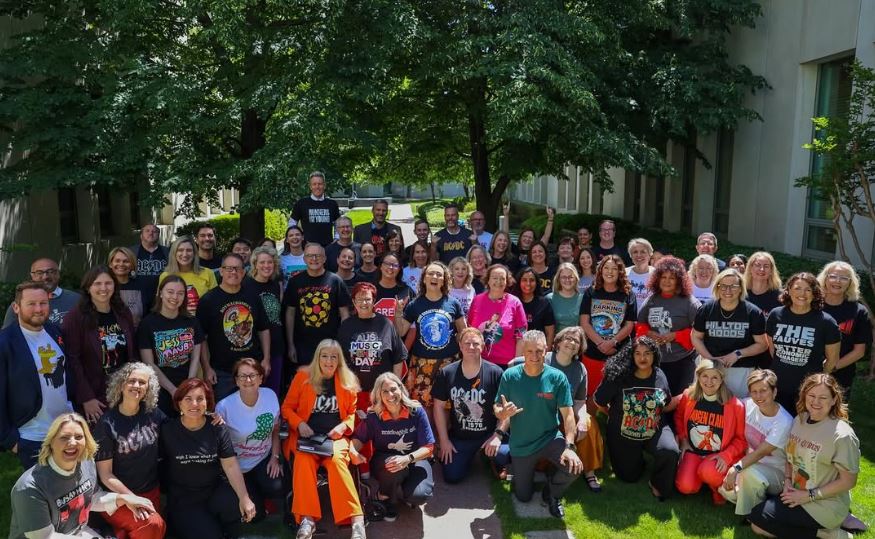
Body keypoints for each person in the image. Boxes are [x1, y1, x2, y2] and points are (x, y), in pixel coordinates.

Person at [9, 413, 156, 539]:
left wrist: (122, 498)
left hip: (77, 533)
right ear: (51, 442)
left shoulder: (86, 462)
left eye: (79, 437)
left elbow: (91, 498)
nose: (72, 443)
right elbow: (46, 537)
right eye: (64, 437)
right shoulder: (29, 489)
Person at [748, 374, 860, 539]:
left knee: (759, 520)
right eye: (812, 396)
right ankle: (824, 533)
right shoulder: (799, 420)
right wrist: (787, 481)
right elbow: (789, 457)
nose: (816, 402)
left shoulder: (842, 435)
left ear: (834, 399)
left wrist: (808, 496)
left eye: (823, 397)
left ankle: (833, 533)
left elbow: (848, 481)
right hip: (795, 493)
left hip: (824, 504)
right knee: (757, 523)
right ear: (804, 396)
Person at [282, 340, 366, 538]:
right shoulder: (303, 377)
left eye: (333, 357)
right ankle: (307, 519)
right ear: (318, 358)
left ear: (339, 360)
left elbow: (353, 413)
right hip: (307, 437)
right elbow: (286, 408)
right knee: (303, 460)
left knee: (337, 461)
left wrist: (343, 426)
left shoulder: (348, 381)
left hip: (334, 438)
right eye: (324, 356)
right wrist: (299, 424)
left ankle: (357, 521)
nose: (329, 361)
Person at [493, 330, 582, 518]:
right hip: (521, 445)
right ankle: (525, 473)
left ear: (546, 350)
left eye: (539, 351)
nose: (534, 356)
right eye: (530, 351)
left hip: (550, 438)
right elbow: (497, 407)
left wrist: (570, 446)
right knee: (523, 496)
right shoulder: (510, 376)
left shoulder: (557, 377)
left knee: (574, 467)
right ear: (523, 352)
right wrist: (502, 412)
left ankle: (552, 493)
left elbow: (568, 416)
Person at [509, 327, 604, 492]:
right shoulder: (542, 357)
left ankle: (589, 471)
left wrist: (581, 419)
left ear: (580, 348)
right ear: (558, 341)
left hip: (565, 416)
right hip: (540, 417)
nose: (572, 343)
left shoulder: (580, 369)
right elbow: (513, 364)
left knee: (589, 424)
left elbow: (580, 401)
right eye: (568, 338)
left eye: (577, 341)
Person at [160, 378, 257, 538]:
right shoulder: (167, 430)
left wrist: (244, 498)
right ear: (179, 403)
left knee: (243, 505)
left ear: (207, 402)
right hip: (184, 498)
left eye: (200, 399)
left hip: (214, 490)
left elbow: (231, 465)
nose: (194, 404)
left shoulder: (217, 427)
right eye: (188, 399)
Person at [594, 337, 679, 500]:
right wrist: (613, 415)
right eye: (638, 353)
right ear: (631, 356)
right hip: (623, 433)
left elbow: (666, 403)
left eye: (647, 353)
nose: (642, 358)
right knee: (628, 477)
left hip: (654, 427)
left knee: (670, 451)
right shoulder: (618, 376)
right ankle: (638, 460)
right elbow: (599, 401)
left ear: (654, 355)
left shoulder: (659, 375)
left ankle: (657, 483)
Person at [0, 281, 73, 469]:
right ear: (16, 307)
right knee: (41, 495)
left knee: (72, 492)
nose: (38, 309)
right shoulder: (5, 343)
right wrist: (9, 440)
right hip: (32, 436)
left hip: (66, 427)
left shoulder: (54, 331)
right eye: (31, 304)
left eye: (43, 303)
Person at [93, 363, 167, 539]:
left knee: (155, 529)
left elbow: (179, 431)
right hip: (118, 497)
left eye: (142, 382)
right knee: (153, 524)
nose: (137, 386)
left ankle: (115, 533)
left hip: (151, 491)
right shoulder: (106, 424)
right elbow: (105, 475)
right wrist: (131, 499)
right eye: (131, 381)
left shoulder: (153, 414)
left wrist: (209, 418)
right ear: (121, 384)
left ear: (148, 388)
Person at [350, 372, 435, 522]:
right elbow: (358, 438)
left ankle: (405, 490)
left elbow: (429, 447)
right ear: (379, 395)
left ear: (401, 389)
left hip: (414, 458)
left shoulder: (416, 411)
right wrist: (352, 451)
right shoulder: (374, 416)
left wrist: (408, 458)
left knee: (420, 496)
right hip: (385, 461)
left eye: (394, 389)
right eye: (385, 391)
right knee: (395, 464)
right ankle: (385, 497)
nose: (390, 395)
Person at [64, 266, 137, 423]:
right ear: (88, 287)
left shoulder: (123, 312)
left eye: (108, 283)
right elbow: (72, 360)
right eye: (97, 284)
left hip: (124, 391)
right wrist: (86, 397)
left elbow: (132, 351)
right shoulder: (75, 318)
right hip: (95, 397)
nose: (103, 288)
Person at [432, 327, 506, 483]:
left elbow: (506, 409)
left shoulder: (496, 372)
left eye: (475, 343)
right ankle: (470, 456)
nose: (471, 347)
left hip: (488, 435)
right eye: (467, 343)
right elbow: (438, 406)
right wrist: (444, 441)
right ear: (460, 346)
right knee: (452, 476)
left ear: (483, 346)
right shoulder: (447, 373)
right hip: (461, 437)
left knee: (504, 454)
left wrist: (497, 435)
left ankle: (493, 460)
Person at [215, 358, 285, 522]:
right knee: (255, 515)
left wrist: (275, 457)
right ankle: (254, 494)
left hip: (262, 458)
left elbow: (275, 429)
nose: (248, 380)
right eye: (243, 376)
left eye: (253, 375)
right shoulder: (224, 407)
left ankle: (260, 489)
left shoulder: (270, 395)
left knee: (278, 486)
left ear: (261, 378)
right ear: (236, 380)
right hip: (237, 466)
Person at [717, 369, 793, 518]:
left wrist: (735, 469)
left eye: (763, 391)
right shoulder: (749, 404)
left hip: (777, 473)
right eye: (754, 391)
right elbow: (728, 406)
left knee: (747, 474)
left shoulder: (784, 421)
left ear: (774, 391)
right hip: (752, 463)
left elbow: (760, 453)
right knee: (724, 489)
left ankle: (751, 516)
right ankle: (761, 501)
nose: (758, 396)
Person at [197, 253, 271, 401]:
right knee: (224, 417)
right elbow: (201, 338)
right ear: (221, 271)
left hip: (252, 368)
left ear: (243, 272)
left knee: (253, 410)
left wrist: (266, 359)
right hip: (222, 371)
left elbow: (263, 329)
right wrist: (206, 368)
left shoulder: (253, 296)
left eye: (237, 269)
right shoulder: (208, 300)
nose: (233, 272)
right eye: (229, 268)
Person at [674, 359, 747, 505]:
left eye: (715, 377)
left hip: (717, 456)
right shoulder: (688, 396)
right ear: (698, 377)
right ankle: (700, 477)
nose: (709, 381)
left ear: (722, 379)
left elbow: (741, 440)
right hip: (694, 452)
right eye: (705, 376)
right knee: (685, 486)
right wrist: (683, 439)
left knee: (708, 472)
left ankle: (717, 489)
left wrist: (726, 456)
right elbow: (678, 417)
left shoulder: (735, 405)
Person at [766, 272, 841, 413]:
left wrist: (816, 378)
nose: (803, 293)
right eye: (797, 288)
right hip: (777, 385)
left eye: (808, 289)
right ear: (788, 290)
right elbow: (773, 350)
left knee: (800, 430)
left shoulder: (826, 322)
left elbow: (832, 360)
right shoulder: (776, 315)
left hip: (808, 390)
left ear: (815, 294)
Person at [396, 262, 467, 410]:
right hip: (422, 363)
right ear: (424, 279)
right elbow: (401, 331)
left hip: (448, 362)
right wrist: (398, 313)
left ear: (444, 280)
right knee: (423, 405)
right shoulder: (414, 305)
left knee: (448, 405)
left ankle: (444, 434)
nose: (435, 277)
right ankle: (428, 434)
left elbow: (464, 332)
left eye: (439, 274)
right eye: (431, 273)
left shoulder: (453, 303)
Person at [691, 268, 769, 399]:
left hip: (739, 370)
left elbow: (762, 344)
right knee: (704, 404)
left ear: (740, 288)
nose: (728, 291)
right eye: (723, 286)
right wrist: (710, 359)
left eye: (733, 286)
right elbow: (696, 337)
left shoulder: (753, 312)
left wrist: (737, 354)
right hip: (709, 368)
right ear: (717, 287)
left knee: (735, 407)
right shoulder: (706, 309)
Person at [635, 256, 700, 400]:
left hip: (682, 362)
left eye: (672, 277)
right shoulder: (651, 299)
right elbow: (639, 325)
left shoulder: (690, 302)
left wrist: (675, 336)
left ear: (679, 280)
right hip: (656, 361)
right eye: (663, 277)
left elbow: (700, 331)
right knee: (657, 401)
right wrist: (649, 333)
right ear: (657, 279)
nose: (666, 281)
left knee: (680, 401)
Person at [137, 275, 203, 415]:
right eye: (170, 292)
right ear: (160, 293)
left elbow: (195, 357)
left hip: (188, 390)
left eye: (180, 293)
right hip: (161, 391)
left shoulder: (192, 321)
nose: (175, 297)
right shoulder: (147, 324)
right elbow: (149, 364)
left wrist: (188, 386)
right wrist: (173, 390)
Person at [338, 282, 407, 413]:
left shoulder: (386, 324)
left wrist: (394, 386)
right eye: (360, 299)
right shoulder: (346, 326)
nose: (364, 303)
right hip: (355, 392)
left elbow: (398, 358)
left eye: (368, 299)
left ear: (374, 300)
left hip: (382, 393)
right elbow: (340, 361)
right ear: (353, 301)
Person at [284, 243, 352, 369]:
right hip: (302, 345)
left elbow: (345, 314)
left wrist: (343, 342)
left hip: (330, 343)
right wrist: (291, 344)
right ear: (304, 259)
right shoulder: (295, 281)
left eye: (318, 256)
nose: (314, 259)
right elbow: (290, 313)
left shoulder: (335, 281)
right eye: (310, 255)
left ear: (324, 258)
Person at [578, 255, 637, 397]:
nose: (610, 272)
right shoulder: (591, 292)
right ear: (600, 270)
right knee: (591, 393)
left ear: (620, 272)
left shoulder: (628, 295)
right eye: (606, 268)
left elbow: (630, 325)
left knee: (616, 395)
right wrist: (601, 343)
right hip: (592, 352)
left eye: (614, 269)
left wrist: (612, 342)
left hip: (618, 353)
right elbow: (584, 322)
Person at [818, 261, 871, 400]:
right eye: (833, 276)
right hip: (807, 371)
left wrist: (831, 367)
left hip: (841, 375)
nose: (837, 281)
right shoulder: (812, 306)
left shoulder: (859, 311)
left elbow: (859, 351)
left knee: (835, 418)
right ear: (825, 278)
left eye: (844, 278)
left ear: (850, 283)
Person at [468, 264, 527, 368]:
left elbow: (521, 336)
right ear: (488, 280)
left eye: (502, 279)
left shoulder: (515, 302)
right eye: (494, 278)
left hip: (506, 363)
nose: (498, 282)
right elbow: (470, 330)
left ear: (507, 282)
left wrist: (516, 365)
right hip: (479, 361)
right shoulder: (477, 300)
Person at [245, 246, 286, 395]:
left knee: (273, 391)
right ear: (255, 264)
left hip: (277, 345)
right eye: (262, 262)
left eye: (270, 262)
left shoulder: (275, 285)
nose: (266, 266)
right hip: (255, 348)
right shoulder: (246, 286)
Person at [3, 258, 82, 328]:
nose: (45, 277)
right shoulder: (21, 303)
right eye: (39, 273)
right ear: (32, 276)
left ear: (58, 274)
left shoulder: (77, 300)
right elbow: (7, 336)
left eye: (50, 272)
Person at [159, 236, 218, 316]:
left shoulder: (208, 273)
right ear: (174, 253)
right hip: (175, 323)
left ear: (194, 253)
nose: (185, 254)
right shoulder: (165, 276)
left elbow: (215, 302)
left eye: (189, 250)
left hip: (202, 321)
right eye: (180, 250)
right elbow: (160, 304)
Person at [290, 171, 342, 247]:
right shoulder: (301, 203)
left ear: (324, 185)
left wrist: (336, 239)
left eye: (320, 184)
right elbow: (292, 223)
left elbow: (338, 224)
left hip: (328, 247)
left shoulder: (332, 204)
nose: (317, 187)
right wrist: (297, 239)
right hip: (307, 247)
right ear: (310, 186)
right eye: (314, 184)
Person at [513, 267, 555, 348]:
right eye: (524, 280)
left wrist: (546, 353)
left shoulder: (544, 303)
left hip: (537, 350)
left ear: (536, 283)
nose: (528, 283)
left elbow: (550, 332)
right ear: (519, 282)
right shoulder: (512, 302)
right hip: (514, 350)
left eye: (532, 280)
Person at [130, 223, 169, 307]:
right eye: (147, 231)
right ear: (141, 235)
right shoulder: (131, 252)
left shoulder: (167, 252)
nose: (151, 233)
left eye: (154, 231)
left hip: (162, 297)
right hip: (138, 297)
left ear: (158, 235)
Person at [108, 246, 147, 325]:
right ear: (110, 264)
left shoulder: (142, 286)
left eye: (126, 261)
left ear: (132, 265)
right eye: (117, 261)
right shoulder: (106, 286)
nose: (121, 264)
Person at [547, 263, 583, 333]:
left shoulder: (583, 298)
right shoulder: (549, 299)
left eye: (570, 277)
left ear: (576, 278)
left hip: (577, 341)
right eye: (563, 277)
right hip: (555, 341)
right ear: (558, 279)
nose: (567, 280)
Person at [744, 251, 783, 316]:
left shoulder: (780, 297)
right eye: (758, 265)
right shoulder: (740, 293)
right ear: (750, 268)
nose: (762, 269)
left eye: (766, 266)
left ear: (771, 271)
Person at [626, 238, 655, 315]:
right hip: (628, 320)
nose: (639, 255)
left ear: (650, 254)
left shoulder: (657, 274)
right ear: (630, 255)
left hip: (649, 320)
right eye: (635, 252)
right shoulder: (624, 273)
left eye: (643, 252)